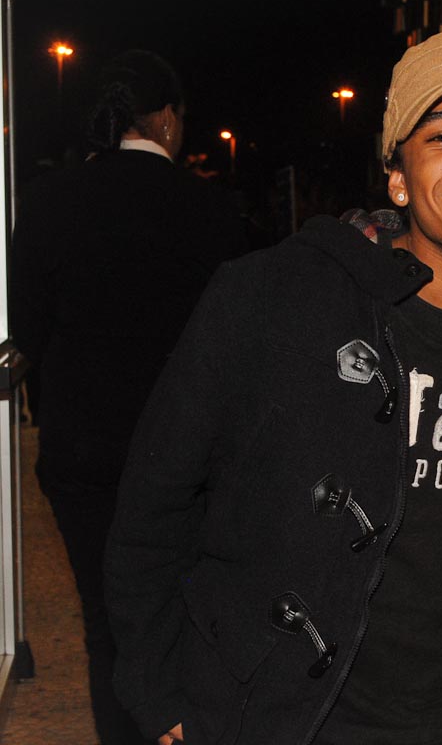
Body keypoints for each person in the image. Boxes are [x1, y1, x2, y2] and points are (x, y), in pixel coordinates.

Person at [103, 30, 442, 745]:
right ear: (398, 177)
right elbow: (152, 505)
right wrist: (159, 689)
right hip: (281, 721)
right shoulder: (273, 299)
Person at [10, 49, 247, 745]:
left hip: (85, 451)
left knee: (106, 622)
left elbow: (27, 330)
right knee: (190, 614)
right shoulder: (209, 206)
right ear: (168, 119)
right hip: (190, 456)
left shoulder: (49, 201)